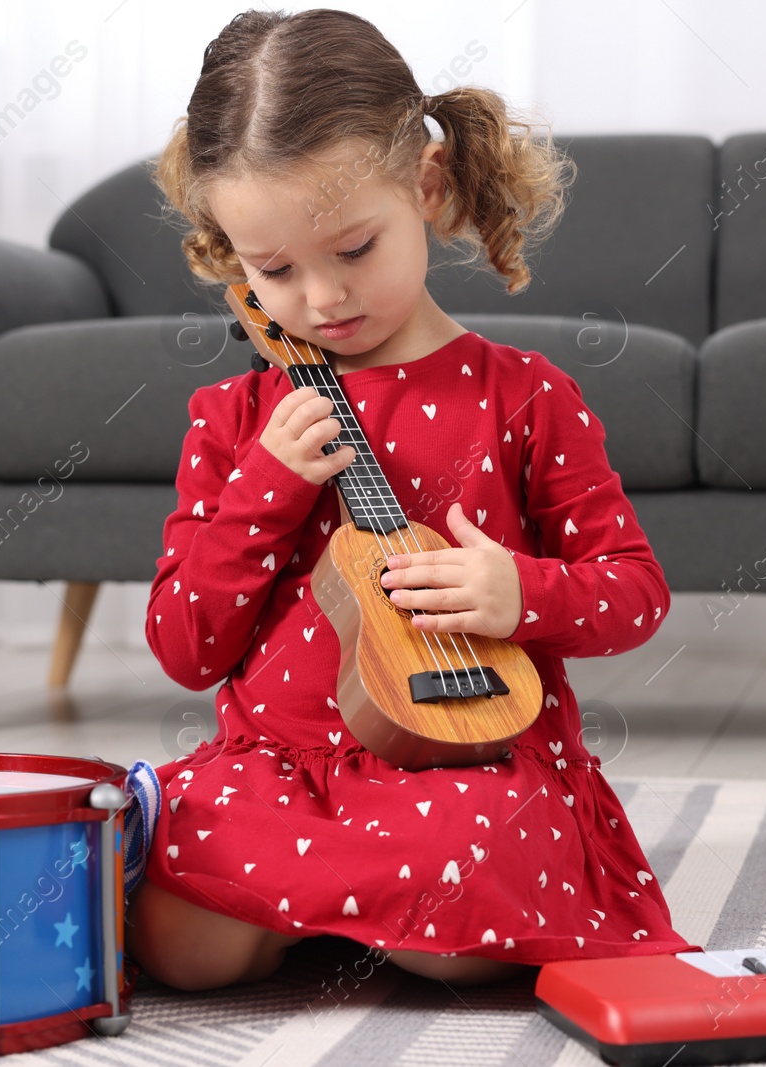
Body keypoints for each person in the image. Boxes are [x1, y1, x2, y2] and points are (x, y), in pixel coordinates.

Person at [128, 7, 695, 992]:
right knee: (178, 944)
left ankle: (326, 909)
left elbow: (634, 589)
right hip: (281, 769)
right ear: (233, 251)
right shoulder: (235, 416)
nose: (319, 300)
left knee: (456, 904)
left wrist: (520, 591)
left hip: (463, 771)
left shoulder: (523, 392)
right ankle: (336, 905)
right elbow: (186, 646)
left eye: (353, 248)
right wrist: (264, 486)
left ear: (426, 188)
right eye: (274, 270)